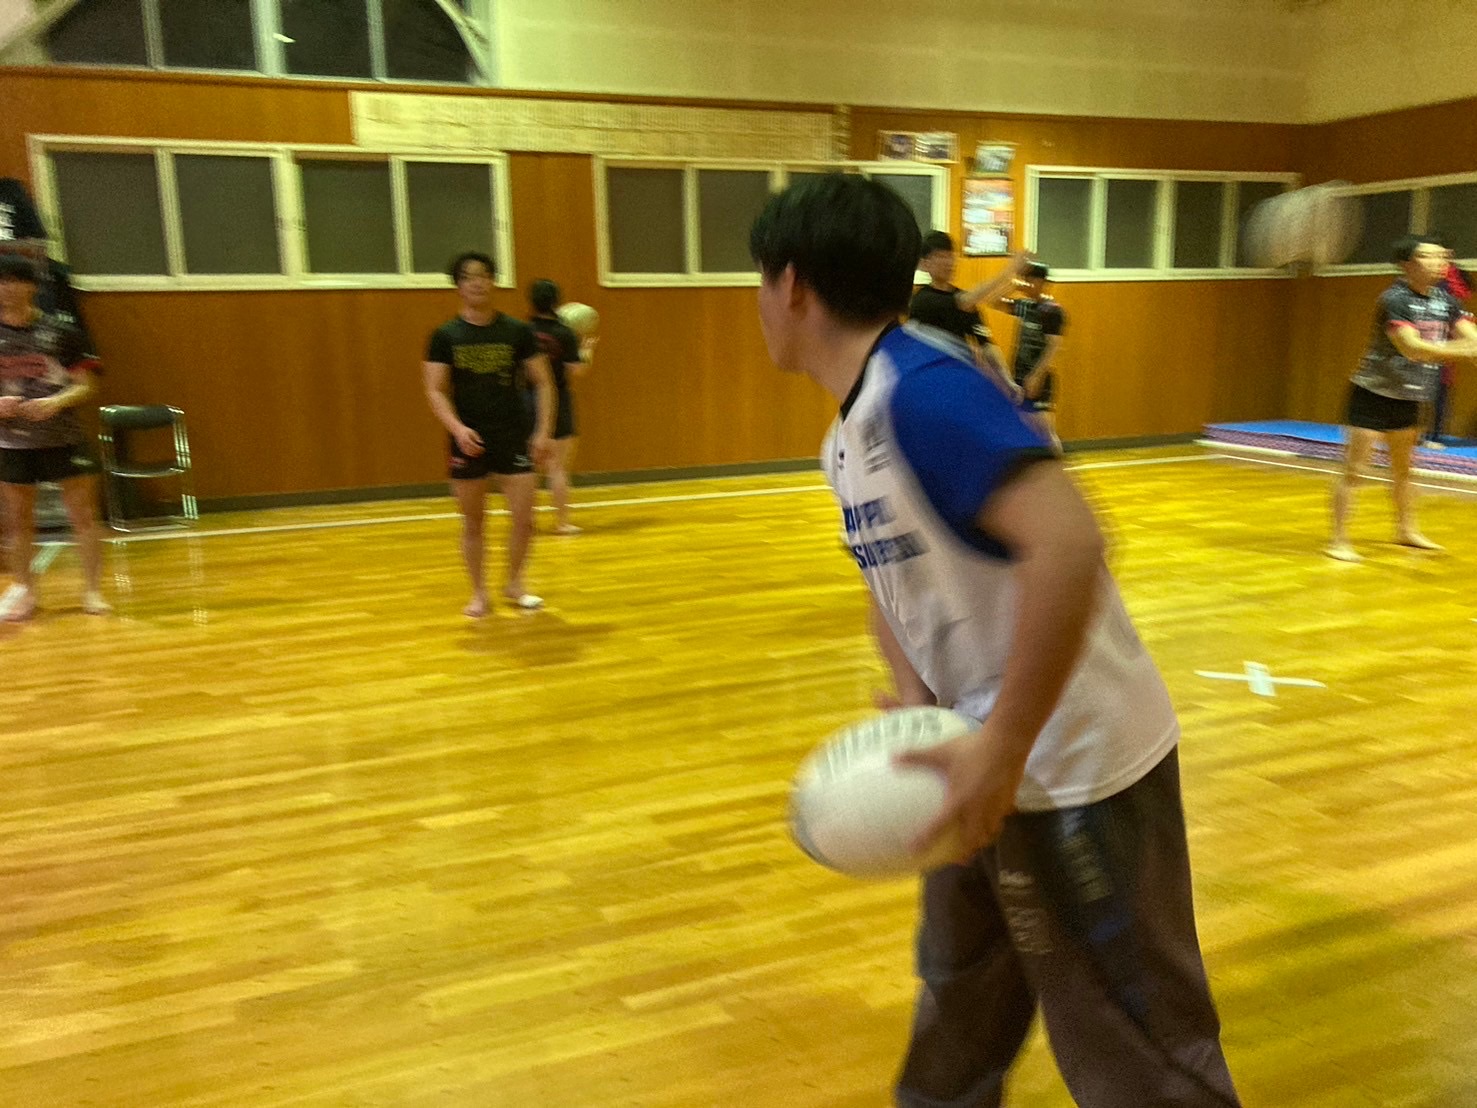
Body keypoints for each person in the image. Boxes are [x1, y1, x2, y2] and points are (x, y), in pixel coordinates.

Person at [750, 173, 1241, 1107]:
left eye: (760, 282)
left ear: (794, 286)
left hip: (1071, 771)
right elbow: (888, 575)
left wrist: (1005, 744)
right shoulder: (849, 429)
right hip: (971, 759)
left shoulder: (924, 393)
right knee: (960, 1004)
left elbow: (1070, 543)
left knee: (1141, 1057)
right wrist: (914, 695)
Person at [1327, 235, 1476, 562]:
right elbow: (1412, 348)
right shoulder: (1394, 299)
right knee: (1355, 470)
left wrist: (1471, 347)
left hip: (1410, 397)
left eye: (1443, 257)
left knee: (1404, 470)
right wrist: (1464, 351)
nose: (1439, 263)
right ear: (1407, 265)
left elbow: (1472, 338)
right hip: (1372, 394)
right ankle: (1339, 540)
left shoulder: (1446, 300)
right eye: (1429, 257)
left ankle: (1406, 530)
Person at [423, 252, 554, 616]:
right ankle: (479, 593)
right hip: (468, 441)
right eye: (468, 277)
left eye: (483, 275)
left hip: (513, 436)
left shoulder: (517, 332)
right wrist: (457, 429)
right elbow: (434, 389)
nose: (477, 282)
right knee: (474, 521)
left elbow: (544, 383)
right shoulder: (445, 336)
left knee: (525, 519)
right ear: (458, 286)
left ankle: (515, 583)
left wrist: (542, 432)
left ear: (493, 281)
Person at [0, 252, 109, 621]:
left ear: (32, 287)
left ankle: (93, 591)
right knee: (18, 520)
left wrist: (55, 402)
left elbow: (86, 385)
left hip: (64, 437)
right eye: (1, 282)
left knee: (83, 515)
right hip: (11, 442)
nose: (7, 289)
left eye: (15, 281)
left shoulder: (61, 333)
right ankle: (26, 593)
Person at [908, 231, 1025, 399]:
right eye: (941, 256)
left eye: (951, 256)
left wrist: (1008, 380)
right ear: (925, 264)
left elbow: (986, 345)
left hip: (958, 383)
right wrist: (1008, 272)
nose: (949, 262)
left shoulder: (965, 301)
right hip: (928, 384)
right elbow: (964, 302)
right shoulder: (922, 300)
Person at [527, 279, 595, 535]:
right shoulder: (565, 333)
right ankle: (562, 522)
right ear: (556, 302)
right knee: (557, 467)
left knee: (528, 469)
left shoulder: (523, 331)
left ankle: (526, 522)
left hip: (527, 401)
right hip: (559, 400)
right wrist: (586, 350)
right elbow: (576, 370)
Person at [990, 261, 1066, 448]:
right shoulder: (1025, 305)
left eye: (1032, 280)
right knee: (1023, 426)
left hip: (1039, 377)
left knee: (1045, 430)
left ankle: (1056, 463)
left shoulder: (1052, 310)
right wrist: (1014, 286)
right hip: (1020, 375)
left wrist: (1037, 375)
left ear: (1043, 282)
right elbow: (994, 301)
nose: (1029, 283)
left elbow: (1053, 346)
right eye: (1027, 279)